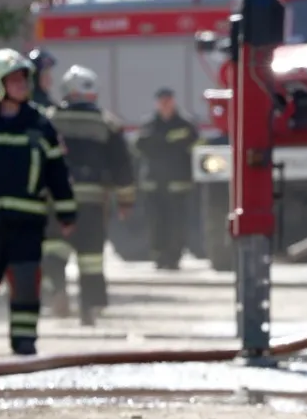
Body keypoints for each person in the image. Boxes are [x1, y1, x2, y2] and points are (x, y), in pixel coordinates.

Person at [0, 48, 77, 355]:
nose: (21, 85)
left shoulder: (40, 125)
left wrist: (67, 212)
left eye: (23, 79)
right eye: (13, 79)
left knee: (27, 283)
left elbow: (57, 171)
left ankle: (25, 341)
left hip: (27, 223)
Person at [47, 65, 135, 326]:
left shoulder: (50, 120)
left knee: (53, 249)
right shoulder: (107, 123)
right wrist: (126, 201)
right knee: (91, 258)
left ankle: (57, 288)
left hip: (56, 201)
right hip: (93, 204)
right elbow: (123, 166)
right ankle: (90, 308)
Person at [134, 87, 200, 270]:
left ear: (173, 101)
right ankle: (159, 256)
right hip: (154, 183)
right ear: (157, 103)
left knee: (177, 222)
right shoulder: (149, 124)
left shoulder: (185, 123)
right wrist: (169, 141)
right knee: (156, 222)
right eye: (162, 101)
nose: (165, 105)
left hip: (178, 183)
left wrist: (160, 142)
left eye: (168, 101)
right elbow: (142, 145)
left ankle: (174, 256)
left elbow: (191, 142)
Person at [28, 48, 73, 316]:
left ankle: (53, 291)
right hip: (32, 191)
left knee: (50, 244)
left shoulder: (47, 106)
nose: (49, 79)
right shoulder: (33, 110)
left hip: (45, 189)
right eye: (44, 74)